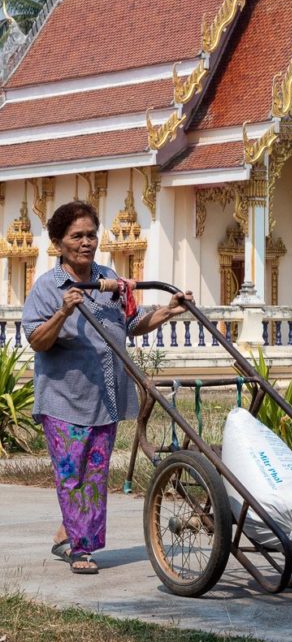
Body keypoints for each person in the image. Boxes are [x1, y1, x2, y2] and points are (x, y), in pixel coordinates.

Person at [22, 200, 194, 574]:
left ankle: (70, 533)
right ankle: (81, 549)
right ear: (57, 242)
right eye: (76, 236)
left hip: (106, 395)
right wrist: (64, 311)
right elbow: (37, 340)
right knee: (73, 474)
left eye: (91, 235)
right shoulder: (49, 288)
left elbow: (130, 324)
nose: (86, 242)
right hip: (64, 397)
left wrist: (167, 310)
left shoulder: (109, 280)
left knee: (95, 474)